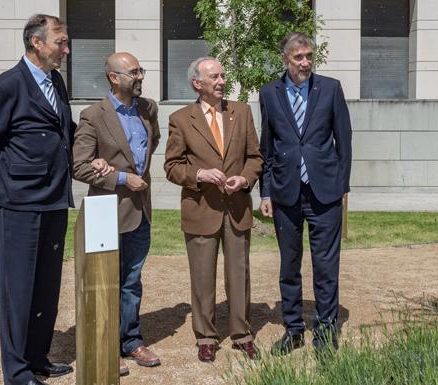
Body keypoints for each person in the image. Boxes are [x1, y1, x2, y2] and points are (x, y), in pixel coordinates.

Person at [0, 14, 108, 385]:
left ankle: (37, 357)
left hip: (53, 198)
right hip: (19, 202)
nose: (67, 48)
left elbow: (64, 130)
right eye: (60, 42)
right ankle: (16, 372)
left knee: (46, 285)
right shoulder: (9, 85)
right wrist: (13, 174)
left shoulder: (55, 81)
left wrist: (88, 152)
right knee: (18, 289)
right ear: (37, 43)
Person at [258, 32, 352, 354]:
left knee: (326, 267)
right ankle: (294, 330)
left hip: (324, 193)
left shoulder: (331, 89)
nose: (306, 62)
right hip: (286, 194)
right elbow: (266, 148)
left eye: (309, 56)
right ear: (284, 58)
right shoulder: (269, 93)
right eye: (298, 57)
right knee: (289, 265)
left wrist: (342, 186)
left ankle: (325, 332)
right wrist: (265, 192)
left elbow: (345, 141)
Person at [164, 57, 263, 362]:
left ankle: (242, 334)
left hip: (236, 208)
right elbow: (171, 166)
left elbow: (255, 158)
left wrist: (244, 179)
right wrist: (199, 175)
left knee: (239, 275)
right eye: (215, 77)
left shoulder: (242, 112)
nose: (222, 82)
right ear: (198, 83)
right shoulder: (181, 119)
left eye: (223, 76)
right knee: (202, 277)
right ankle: (206, 336)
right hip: (200, 209)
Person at [72, 52, 161, 376]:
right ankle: (108, 346)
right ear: (114, 77)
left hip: (142, 212)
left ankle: (131, 340)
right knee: (107, 282)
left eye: (141, 71)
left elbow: (151, 144)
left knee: (132, 281)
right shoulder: (93, 115)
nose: (140, 77)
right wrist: (121, 177)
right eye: (134, 73)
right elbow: (79, 165)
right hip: (107, 213)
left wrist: (134, 172)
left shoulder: (148, 109)